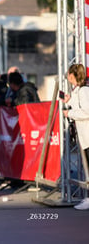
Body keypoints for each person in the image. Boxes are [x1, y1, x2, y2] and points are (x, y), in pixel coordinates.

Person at [61, 64, 89, 210]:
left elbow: (86, 112)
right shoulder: (79, 91)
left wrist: (70, 114)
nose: (68, 78)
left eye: (69, 75)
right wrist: (69, 101)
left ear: (73, 75)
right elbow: (80, 106)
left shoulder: (84, 91)